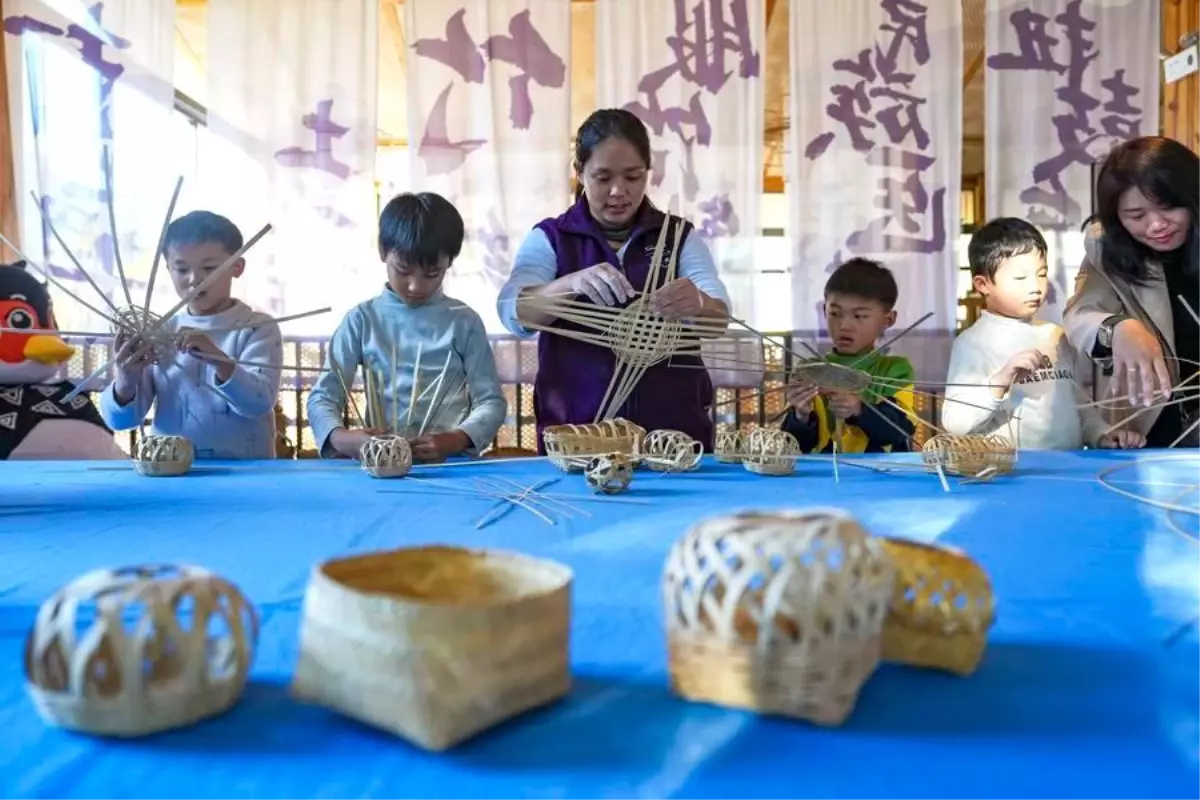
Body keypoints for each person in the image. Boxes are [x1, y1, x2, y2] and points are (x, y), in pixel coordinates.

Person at [495, 108, 732, 451]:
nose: (619, 191)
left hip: (674, 443)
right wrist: (570, 284)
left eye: (633, 177)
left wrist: (699, 302)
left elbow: (719, 321)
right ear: (579, 173)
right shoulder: (552, 238)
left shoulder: (678, 237)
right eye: (603, 178)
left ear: (648, 172)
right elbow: (512, 312)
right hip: (579, 442)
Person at [307, 192, 506, 462]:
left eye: (432, 273)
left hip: (450, 466)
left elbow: (491, 401)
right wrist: (341, 438)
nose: (415, 286)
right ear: (382, 252)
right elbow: (323, 396)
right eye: (402, 270)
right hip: (381, 463)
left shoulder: (464, 321)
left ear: (450, 262)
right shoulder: (362, 320)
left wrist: (456, 439)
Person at [945, 216, 1144, 450]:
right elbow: (954, 423)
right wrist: (1000, 381)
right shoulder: (972, 344)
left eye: (1041, 274)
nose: (1034, 287)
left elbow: (1078, 405)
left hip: (1068, 471)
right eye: (1020, 278)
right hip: (1010, 477)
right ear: (982, 284)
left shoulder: (1056, 335)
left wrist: (1102, 434)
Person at [99, 211, 283, 459]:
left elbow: (258, 403)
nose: (195, 280)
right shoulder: (158, 332)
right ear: (168, 269)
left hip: (245, 473)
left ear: (237, 267)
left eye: (209, 268)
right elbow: (121, 421)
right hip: (170, 472)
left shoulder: (257, 328)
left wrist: (219, 360)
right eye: (182, 269)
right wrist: (126, 379)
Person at [1063, 135, 1200, 446]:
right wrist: (1118, 328)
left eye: (1167, 208)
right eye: (1137, 216)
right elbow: (1079, 315)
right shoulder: (1106, 247)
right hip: (1151, 421)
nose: (1156, 225)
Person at [780, 258, 915, 453]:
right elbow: (792, 446)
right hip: (821, 478)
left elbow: (900, 431)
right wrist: (801, 415)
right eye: (835, 313)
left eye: (859, 316)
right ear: (824, 310)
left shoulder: (895, 370)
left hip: (882, 478)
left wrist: (859, 409)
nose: (844, 325)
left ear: (888, 319)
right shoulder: (809, 371)